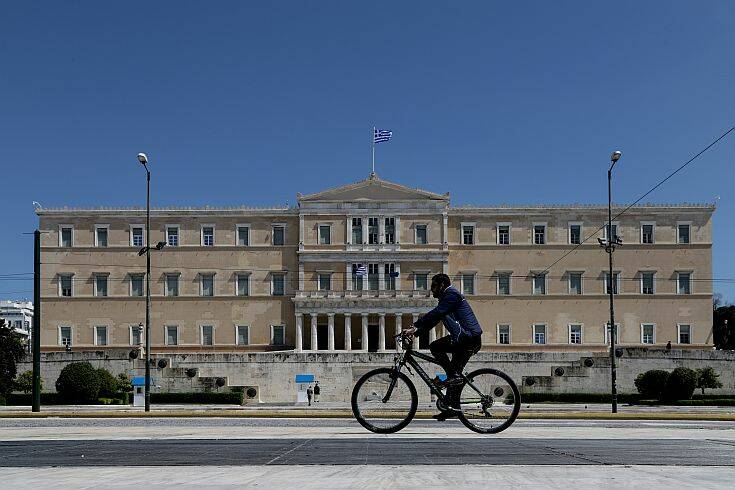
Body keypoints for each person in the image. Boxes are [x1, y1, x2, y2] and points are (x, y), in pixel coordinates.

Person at [404, 273, 483, 421]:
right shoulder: (446, 300)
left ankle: (453, 378)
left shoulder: (452, 295)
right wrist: (417, 332)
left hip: (467, 338)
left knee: (435, 347)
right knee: (454, 374)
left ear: (442, 285)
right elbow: (435, 319)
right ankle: (451, 407)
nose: (431, 290)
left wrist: (415, 326)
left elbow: (437, 313)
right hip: (465, 338)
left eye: (434, 286)